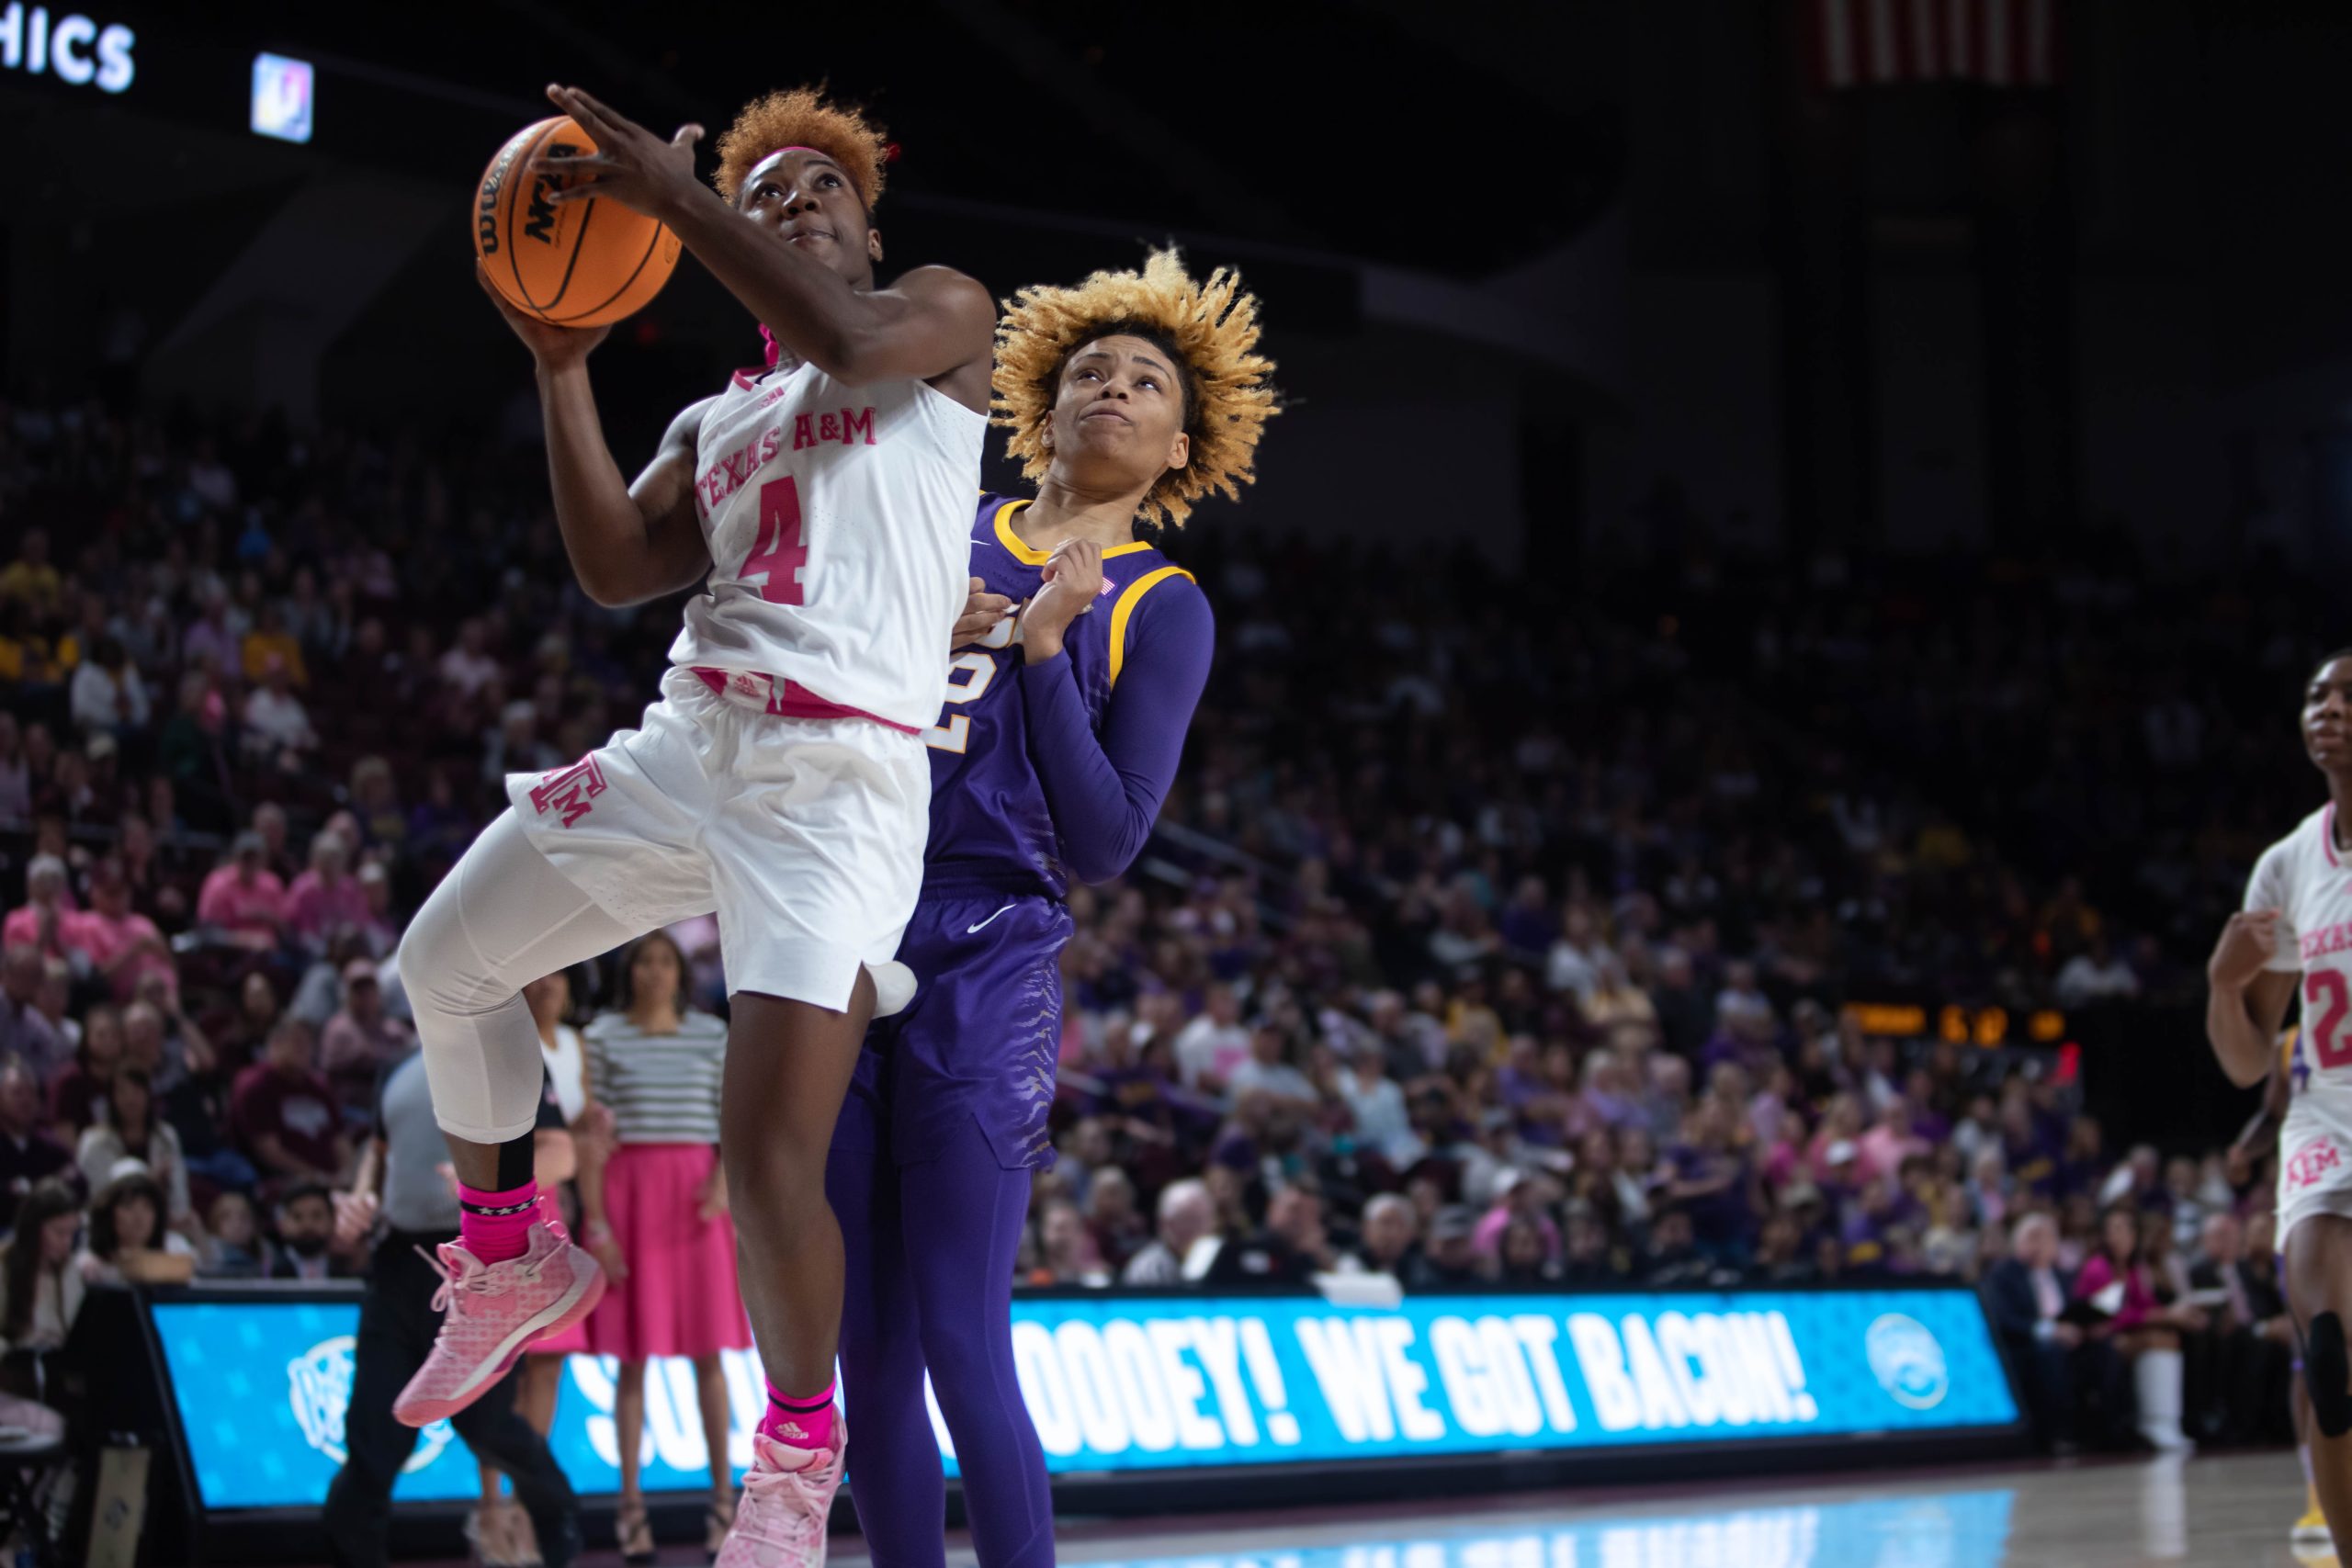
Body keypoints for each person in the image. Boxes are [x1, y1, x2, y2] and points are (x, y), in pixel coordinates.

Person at [390, 83, 996, 1567]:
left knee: (770, 1151)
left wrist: (683, 202)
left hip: (839, 785)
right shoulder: (716, 414)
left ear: (869, 227)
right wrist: (560, 367)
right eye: (768, 191)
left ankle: (796, 1455)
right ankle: (509, 1251)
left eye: (818, 194)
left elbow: (848, 340)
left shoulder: (937, 320)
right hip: (688, 742)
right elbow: (613, 563)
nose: (794, 206)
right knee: (446, 961)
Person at [828, 247, 1272, 1568]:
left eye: (1143, 381)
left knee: (962, 1328)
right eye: (1089, 371)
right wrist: (910, 640)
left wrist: (1032, 656)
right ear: (1044, 403)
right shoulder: (939, 524)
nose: (1112, 390)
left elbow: (1110, 836)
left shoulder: (1162, 603)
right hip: (849, 919)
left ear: (1181, 442)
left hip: (991, 948)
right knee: (868, 1344)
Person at [322, 1037, 581, 1568]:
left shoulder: (509, 1057)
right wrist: (360, 1196)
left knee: (489, 1428)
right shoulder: (394, 1066)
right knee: (373, 1431)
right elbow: (379, 1153)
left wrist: (488, 1186)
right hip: (396, 1262)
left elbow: (561, 1152)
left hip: (479, 1267)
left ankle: (559, 1529)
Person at [2209, 649, 2352, 1554]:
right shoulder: (2287, 864)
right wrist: (2224, 990)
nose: (2328, 708)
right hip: (2327, 1131)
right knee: (2331, 1354)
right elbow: (2242, 1060)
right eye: (2316, 695)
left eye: (2347, 696)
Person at [576, 933, 746, 1562]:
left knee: (709, 1358)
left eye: (665, 959)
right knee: (632, 1358)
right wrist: (597, 1221)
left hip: (696, 1196)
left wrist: (725, 1178)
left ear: (679, 971)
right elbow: (589, 1132)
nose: (653, 969)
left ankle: (725, 1505)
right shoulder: (600, 1036)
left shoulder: (712, 1035)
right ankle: (630, 1510)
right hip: (630, 1194)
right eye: (643, 959)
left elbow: (735, 1113)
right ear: (629, 970)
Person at [74, 1069, 190, 1235]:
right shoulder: (93, 1142)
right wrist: (150, 1182)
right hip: (106, 1233)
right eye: (122, 1092)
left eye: (137, 1091)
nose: (130, 1099)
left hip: (164, 1228)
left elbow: (180, 1198)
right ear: (111, 1098)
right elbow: (96, 1199)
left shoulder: (166, 1137)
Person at [0, 1181, 83, 1404]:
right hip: (13, 1375)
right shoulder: (5, 1268)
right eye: (58, 1233)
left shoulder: (71, 1271)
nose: (66, 1243)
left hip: (59, 1373)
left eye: (71, 1234)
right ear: (33, 1228)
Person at [1118, 1179, 1216, 1286]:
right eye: (1189, 1220)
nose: (1199, 1228)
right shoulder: (1148, 1269)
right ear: (1165, 1224)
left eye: (1204, 1220)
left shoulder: (1217, 1261)